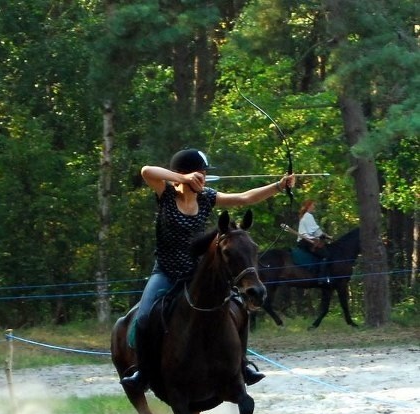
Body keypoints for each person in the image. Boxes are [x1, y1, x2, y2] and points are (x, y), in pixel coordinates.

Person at [121, 148, 295, 393]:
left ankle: (243, 366)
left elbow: (245, 198)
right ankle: (143, 372)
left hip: (197, 273)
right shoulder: (167, 195)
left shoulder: (207, 197)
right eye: (199, 172)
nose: (203, 177)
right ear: (183, 174)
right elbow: (147, 171)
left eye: (204, 173)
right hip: (166, 273)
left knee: (238, 309)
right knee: (145, 316)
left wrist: (278, 185)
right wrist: (182, 179)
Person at [297, 200, 333, 284]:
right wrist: (328, 236)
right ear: (308, 206)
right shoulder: (308, 216)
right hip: (307, 241)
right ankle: (321, 278)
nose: (314, 207)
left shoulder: (304, 216)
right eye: (313, 205)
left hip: (304, 241)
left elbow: (315, 231)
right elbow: (316, 232)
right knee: (326, 255)